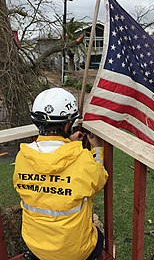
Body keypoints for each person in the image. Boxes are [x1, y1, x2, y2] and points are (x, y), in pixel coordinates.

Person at [13, 87, 108, 260]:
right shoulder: (81, 158)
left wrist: (66, 143)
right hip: (74, 252)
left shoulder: (23, 157)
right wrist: (98, 149)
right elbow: (100, 180)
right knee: (99, 237)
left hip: (36, 246)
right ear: (67, 125)